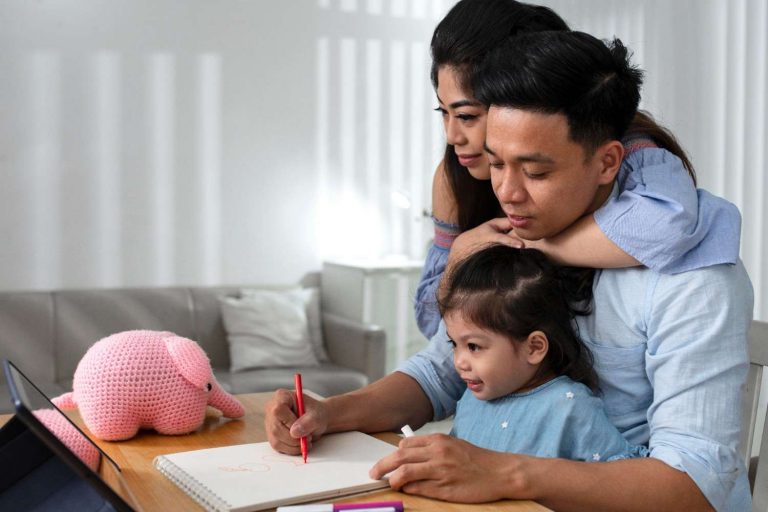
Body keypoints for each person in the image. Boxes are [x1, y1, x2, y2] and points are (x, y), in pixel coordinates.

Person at [265, 29, 752, 511]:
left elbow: (695, 485)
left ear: (607, 162)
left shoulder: (693, 277)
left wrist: (503, 472)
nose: (509, 192)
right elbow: (440, 374)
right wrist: (329, 413)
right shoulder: (521, 232)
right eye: (497, 164)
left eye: (536, 172)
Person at [415, 0, 741, 340]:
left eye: (468, 115)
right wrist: (457, 261)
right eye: (443, 112)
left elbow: (665, 225)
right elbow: (434, 330)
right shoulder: (454, 176)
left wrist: (525, 245)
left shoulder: (631, 150)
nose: (452, 136)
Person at [441, 243, 648, 462]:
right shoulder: (472, 398)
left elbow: (617, 478)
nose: (459, 362)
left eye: (473, 346)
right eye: (454, 343)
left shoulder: (570, 406)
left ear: (534, 347)